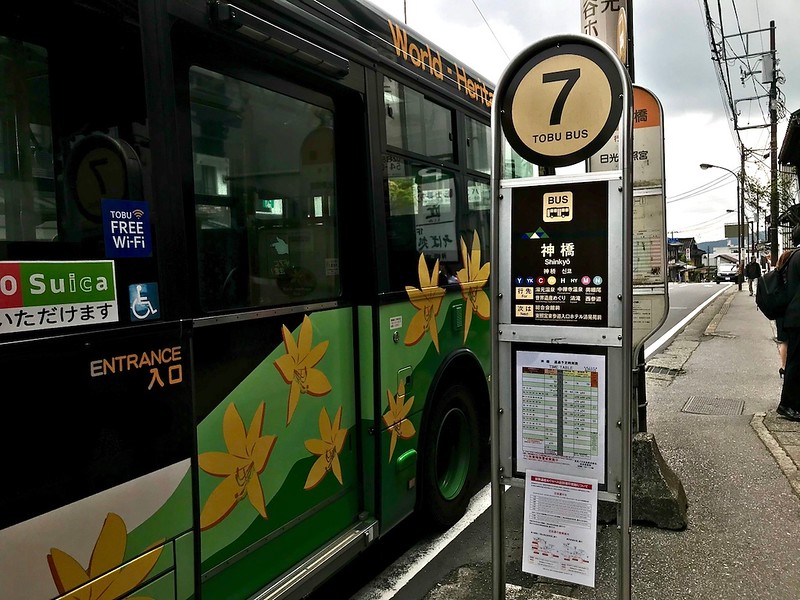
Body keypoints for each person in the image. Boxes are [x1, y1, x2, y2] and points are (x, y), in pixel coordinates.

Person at [777, 224, 800, 421]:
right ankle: (787, 404)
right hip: (798, 317)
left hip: (792, 315)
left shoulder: (793, 256)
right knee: (795, 362)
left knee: (795, 361)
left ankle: (790, 403)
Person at [774, 249, 794, 379]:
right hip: (791, 310)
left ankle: (784, 367)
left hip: (780, 311)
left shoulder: (777, 274)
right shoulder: (792, 274)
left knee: (784, 341)